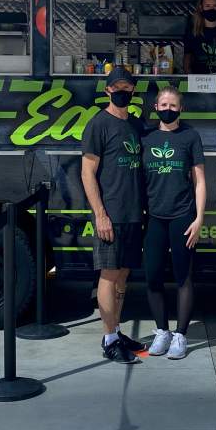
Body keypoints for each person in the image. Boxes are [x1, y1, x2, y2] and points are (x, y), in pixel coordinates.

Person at [81, 67, 146, 364]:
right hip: (111, 213)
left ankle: (117, 331)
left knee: (122, 274)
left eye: (127, 87)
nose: (122, 92)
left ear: (133, 91)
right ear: (107, 90)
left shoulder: (135, 124)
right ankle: (108, 339)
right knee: (108, 275)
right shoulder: (98, 124)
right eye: (116, 87)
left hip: (133, 213)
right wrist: (100, 215)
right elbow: (87, 173)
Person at [140, 86, 206, 360]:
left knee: (183, 277)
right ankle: (162, 332)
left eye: (173, 105)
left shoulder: (190, 136)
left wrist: (199, 219)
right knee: (152, 277)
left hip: (183, 216)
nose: (168, 109)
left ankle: (180, 335)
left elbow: (199, 181)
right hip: (154, 217)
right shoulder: (146, 137)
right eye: (163, 105)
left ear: (181, 109)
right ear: (156, 107)